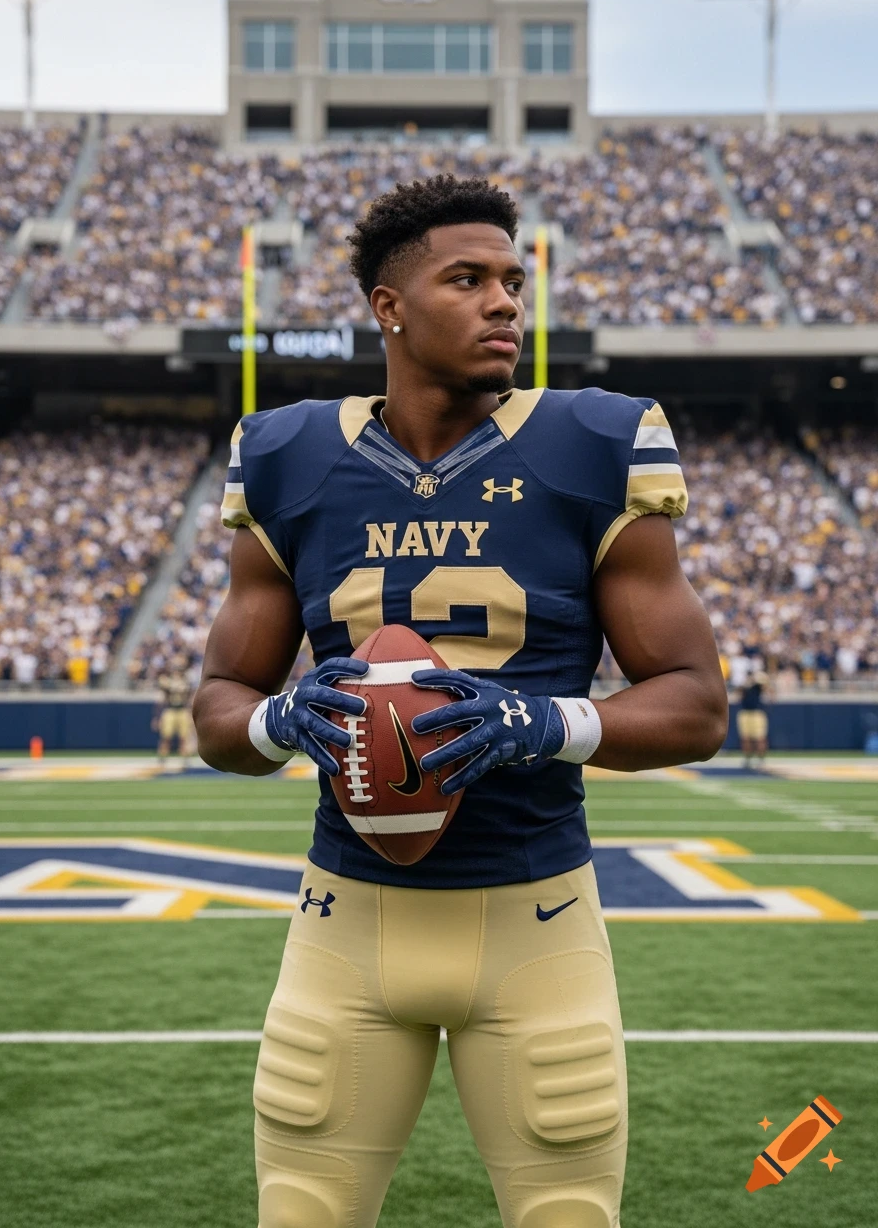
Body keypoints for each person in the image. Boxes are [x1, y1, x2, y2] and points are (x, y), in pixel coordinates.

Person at [193, 174, 728, 1228]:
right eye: (467, 279)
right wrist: (277, 719)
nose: (503, 305)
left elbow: (695, 702)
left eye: (511, 283)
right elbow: (218, 702)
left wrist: (546, 721)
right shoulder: (290, 453)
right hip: (342, 922)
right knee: (299, 1212)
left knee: (567, 1215)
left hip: (536, 919)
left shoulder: (591, 440)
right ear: (388, 305)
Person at [154, 661, 194, 764]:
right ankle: (162, 756)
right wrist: (157, 717)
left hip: (182, 709)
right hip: (170, 709)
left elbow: (189, 697)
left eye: (178, 671)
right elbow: (161, 699)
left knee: (184, 736)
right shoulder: (167, 681)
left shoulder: (185, 682)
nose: (177, 673)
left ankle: (185, 757)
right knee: (166, 736)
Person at [737, 672, 769, 769]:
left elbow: (765, 684)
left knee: (760, 738)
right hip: (745, 713)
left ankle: (761, 759)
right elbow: (739, 694)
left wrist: (756, 679)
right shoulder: (744, 687)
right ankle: (747, 759)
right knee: (745, 738)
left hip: (756, 713)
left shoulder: (757, 685)